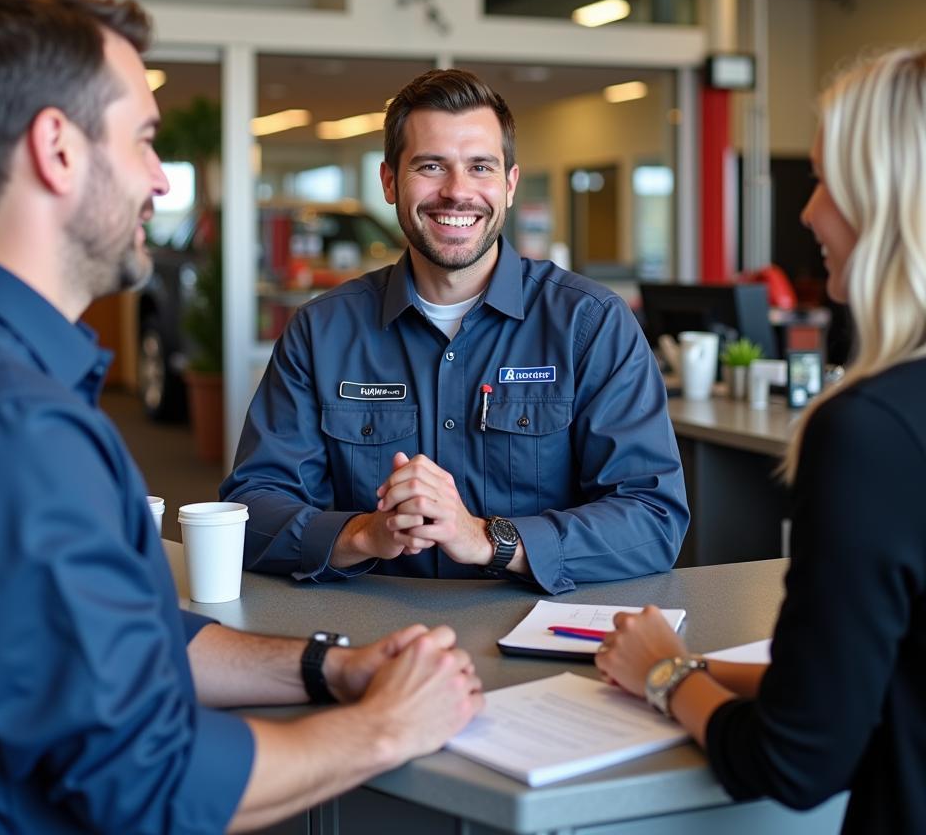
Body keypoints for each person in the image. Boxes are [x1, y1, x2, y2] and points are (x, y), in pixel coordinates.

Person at [0, 0, 482, 834]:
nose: (162, 180)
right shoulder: (10, 423)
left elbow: (118, 640)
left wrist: (329, 668)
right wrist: (389, 724)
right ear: (57, 150)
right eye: (142, 139)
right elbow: (149, 783)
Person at [594, 49, 926, 834]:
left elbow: (796, 761)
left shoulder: (871, 434)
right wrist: (717, 672)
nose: (808, 214)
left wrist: (667, 674)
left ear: (890, 199)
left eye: (825, 181)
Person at [223, 68, 688, 594]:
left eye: (480, 167)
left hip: (540, 635)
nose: (457, 191)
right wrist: (362, 534)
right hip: (373, 639)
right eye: (430, 166)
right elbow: (249, 509)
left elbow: (652, 520)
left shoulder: (591, 324)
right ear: (390, 181)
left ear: (509, 185)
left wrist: (491, 539)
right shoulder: (321, 331)